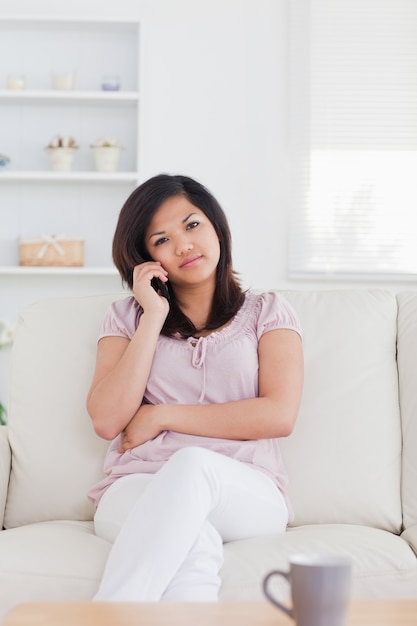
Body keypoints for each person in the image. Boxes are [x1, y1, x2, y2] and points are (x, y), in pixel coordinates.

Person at [86, 173, 303, 602]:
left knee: (192, 465)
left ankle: (106, 616)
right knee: (194, 542)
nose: (184, 245)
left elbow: (279, 414)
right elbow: (107, 420)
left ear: (216, 226)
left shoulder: (268, 312)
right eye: (161, 239)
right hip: (136, 486)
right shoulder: (126, 318)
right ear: (145, 258)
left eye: (192, 225)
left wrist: (163, 414)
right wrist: (151, 317)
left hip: (245, 490)